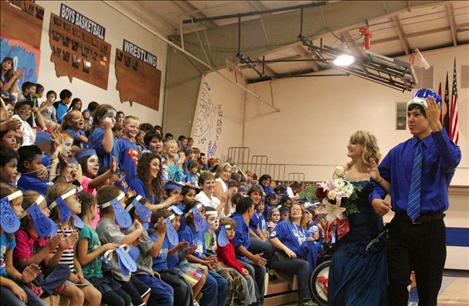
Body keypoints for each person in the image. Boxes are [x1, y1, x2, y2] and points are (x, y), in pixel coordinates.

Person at [370, 89, 461, 306]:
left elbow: (451, 161)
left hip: (431, 229)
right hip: (401, 227)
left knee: (429, 291)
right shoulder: (398, 152)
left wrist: (438, 126)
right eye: (409, 114)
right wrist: (375, 197)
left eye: (417, 114)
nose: (410, 119)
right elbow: (377, 179)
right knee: (396, 285)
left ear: (432, 116)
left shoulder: (445, 150)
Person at [326, 130, 388, 306]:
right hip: (347, 238)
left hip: (371, 239)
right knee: (342, 287)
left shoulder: (376, 172)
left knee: (365, 295)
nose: (349, 145)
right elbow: (332, 203)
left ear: (364, 147)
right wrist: (330, 198)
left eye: (354, 143)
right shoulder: (342, 172)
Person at [269, 203, 315, 306]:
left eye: (298, 210)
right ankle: (304, 300)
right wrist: (286, 249)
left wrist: (312, 238)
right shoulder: (284, 224)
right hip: (280, 258)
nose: (294, 211)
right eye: (293, 209)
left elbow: (309, 238)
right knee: (304, 265)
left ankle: (314, 294)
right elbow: (272, 238)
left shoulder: (303, 230)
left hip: (294, 260)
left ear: (302, 214)